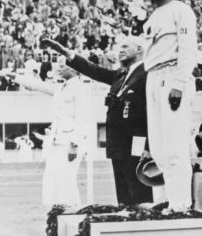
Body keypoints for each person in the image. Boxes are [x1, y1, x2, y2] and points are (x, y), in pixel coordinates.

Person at [43, 37, 153, 206]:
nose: (120, 50)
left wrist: (148, 147)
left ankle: (142, 229)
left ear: (139, 49)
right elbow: (92, 70)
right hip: (118, 144)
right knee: (123, 198)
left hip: (136, 143)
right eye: (119, 47)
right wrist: (65, 52)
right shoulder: (120, 74)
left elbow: (151, 112)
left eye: (125, 46)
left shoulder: (147, 74)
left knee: (139, 195)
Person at [143, 0, 197, 211]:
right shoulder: (153, 15)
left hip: (171, 75)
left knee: (175, 146)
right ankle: (168, 201)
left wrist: (178, 83)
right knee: (159, 148)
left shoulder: (181, 10)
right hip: (153, 77)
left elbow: (188, 49)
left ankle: (181, 205)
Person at [6, 57, 93, 206]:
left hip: (69, 141)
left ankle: (72, 214)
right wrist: (14, 76)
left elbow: (83, 118)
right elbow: (38, 85)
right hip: (56, 140)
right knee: (52, 178)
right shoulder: (61, 87)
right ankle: (56, 214)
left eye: (63, 65)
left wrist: (74, 144)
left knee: (66, 180)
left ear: (74, 69)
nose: (58, 67)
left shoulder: (80, 87)